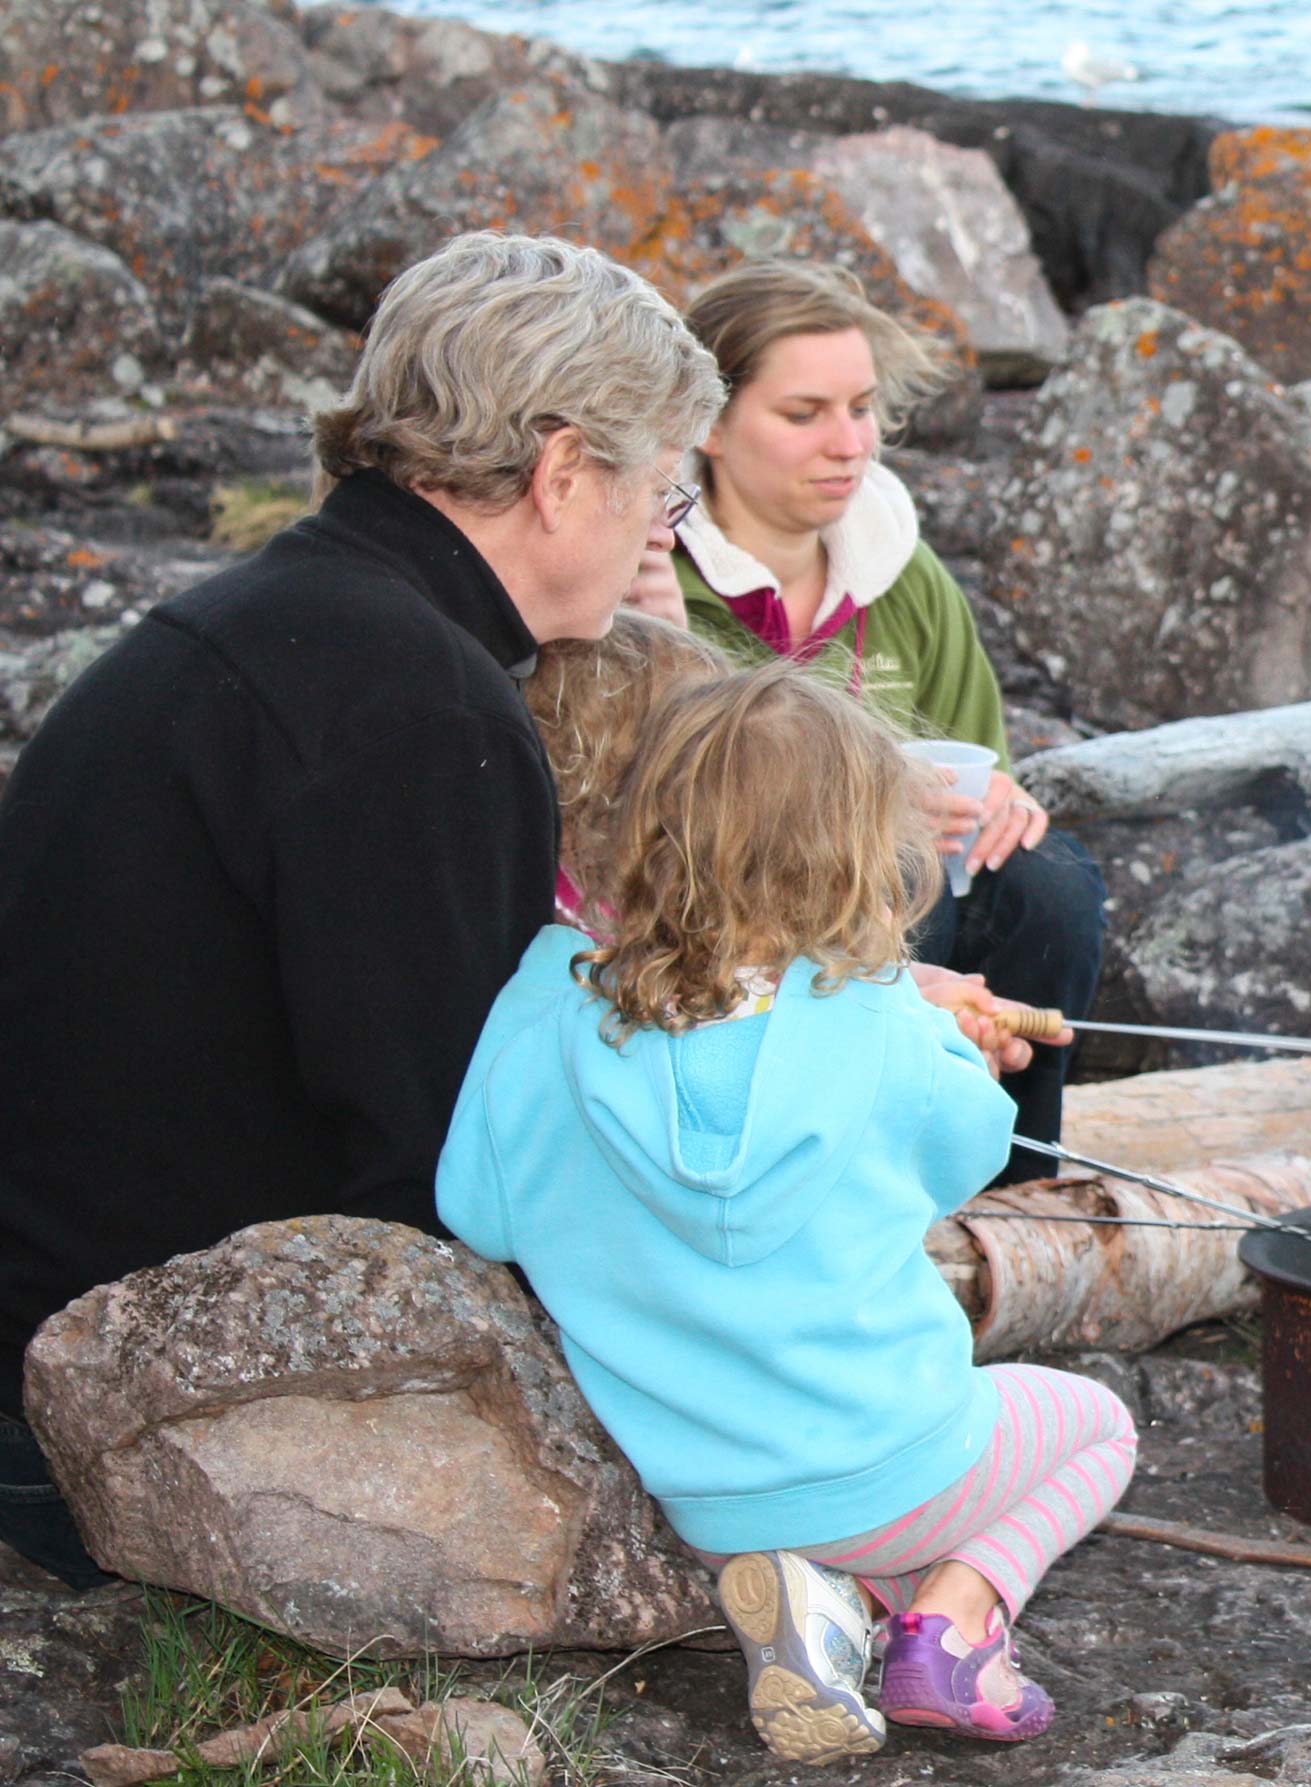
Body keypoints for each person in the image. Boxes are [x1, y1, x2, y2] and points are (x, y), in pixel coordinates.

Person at [0, 231, 723, 1587]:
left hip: (55, 1309)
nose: (658, 528)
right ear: (565, 469)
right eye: (662, 486)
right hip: (124, 1417)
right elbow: (446, 1167)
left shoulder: (274, 614)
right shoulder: (424, 705)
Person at [437, 665, 1136, 1763]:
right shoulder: (875, 1024)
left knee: (859, 1513)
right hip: (895, 1457)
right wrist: (960, 1044)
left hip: (705, 1494)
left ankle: (819, 1612)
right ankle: (953, 1625)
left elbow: (474, 1207)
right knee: (1097, 1428)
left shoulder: (547, 1002)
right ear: (861, 847)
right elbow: (969, 1157)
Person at [633, 259, 1106, 1185]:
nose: (848, 443)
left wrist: (1002, 801)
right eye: (804, 414)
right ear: (712, 426)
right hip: (741, 921)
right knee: (885, 873)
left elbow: (982, 758)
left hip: (913, 902)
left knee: (1048, 882)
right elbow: (651, 811)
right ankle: (849, 1181)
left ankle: (1019, 1181)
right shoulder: (656, 576)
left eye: (863, 408)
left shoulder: (904, 569)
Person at [526, 612, 1038, 1080]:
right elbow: (954, 1139)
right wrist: (944, 1054)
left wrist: (903, 994)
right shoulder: (706, 934)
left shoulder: (577, 943)